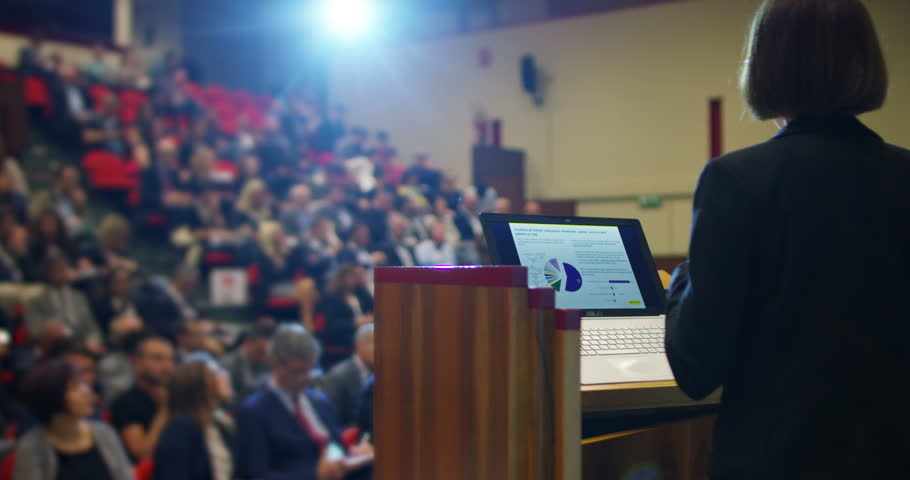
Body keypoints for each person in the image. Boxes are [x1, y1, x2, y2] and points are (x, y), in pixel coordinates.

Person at [665, 1, 906, 479]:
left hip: (774, 460)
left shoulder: (735, 181)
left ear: (766, 64)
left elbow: (695, 367)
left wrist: (681, 280)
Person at [235, 324, 372, 480]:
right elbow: (254, 475)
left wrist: (351, 455)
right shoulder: (255, 411)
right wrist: (315, 475)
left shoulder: (320, 401)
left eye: (311, 370)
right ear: (275, 365)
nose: (307, 378)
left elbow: (335, 446)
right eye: (299, 371)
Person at [15, 359, 134, 480]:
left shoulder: (104, 433)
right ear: (53, 396)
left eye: (83, 385)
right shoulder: (32, 446)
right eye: (75, 387)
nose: (87, 392)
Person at [153, 353, 235, 480]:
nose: (224, 376)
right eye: (215, 373)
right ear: (199, 385)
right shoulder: (180, 428)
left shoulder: (219, 424)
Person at [110, 334, 175, 463]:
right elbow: (141, 453)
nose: (167, 366)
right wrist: (166, 409)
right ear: (137, 363)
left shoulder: (178, 397)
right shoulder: (125, 403)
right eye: (157, 359)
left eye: (170, 359)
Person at [25, 252, 103, 352]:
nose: (61, 273)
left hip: (83, 344)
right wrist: (51, 331)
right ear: (47, 272)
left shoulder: (79, 297)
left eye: (64, 269)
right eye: (57, 270)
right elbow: (34, 331)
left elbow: (92, 327)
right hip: (55, 347)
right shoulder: (36, 301)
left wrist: (93, 341)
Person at [316, 324, 374, 428]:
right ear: (358, 345)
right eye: (374, 342)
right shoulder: (338, 376)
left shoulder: (379, 374)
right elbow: (331, 419)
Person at [317, 264, 374, 369]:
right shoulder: (331, 298)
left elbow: (373, 307)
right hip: (345, 335)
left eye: (354, 276)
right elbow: (332, 325)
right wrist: (355, 323)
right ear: (341, 279)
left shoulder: (359, 293)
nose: (352, 280)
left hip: (366, 330)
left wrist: (364, 285)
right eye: (350, 277)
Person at [133, 264, 200, 342]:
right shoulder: (159, 296)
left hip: (187, 336)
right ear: (182, 279)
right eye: (193, 281)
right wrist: (186, 326)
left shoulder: (184, 298)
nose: (194, 285)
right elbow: (161, 323)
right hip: (167, 338)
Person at [220, 324, 274, 407]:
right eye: (259, 351)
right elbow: (226, 400)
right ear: (247, 342)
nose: (263, 358)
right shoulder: (227, 364)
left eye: (266, 353)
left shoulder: (267, 362)